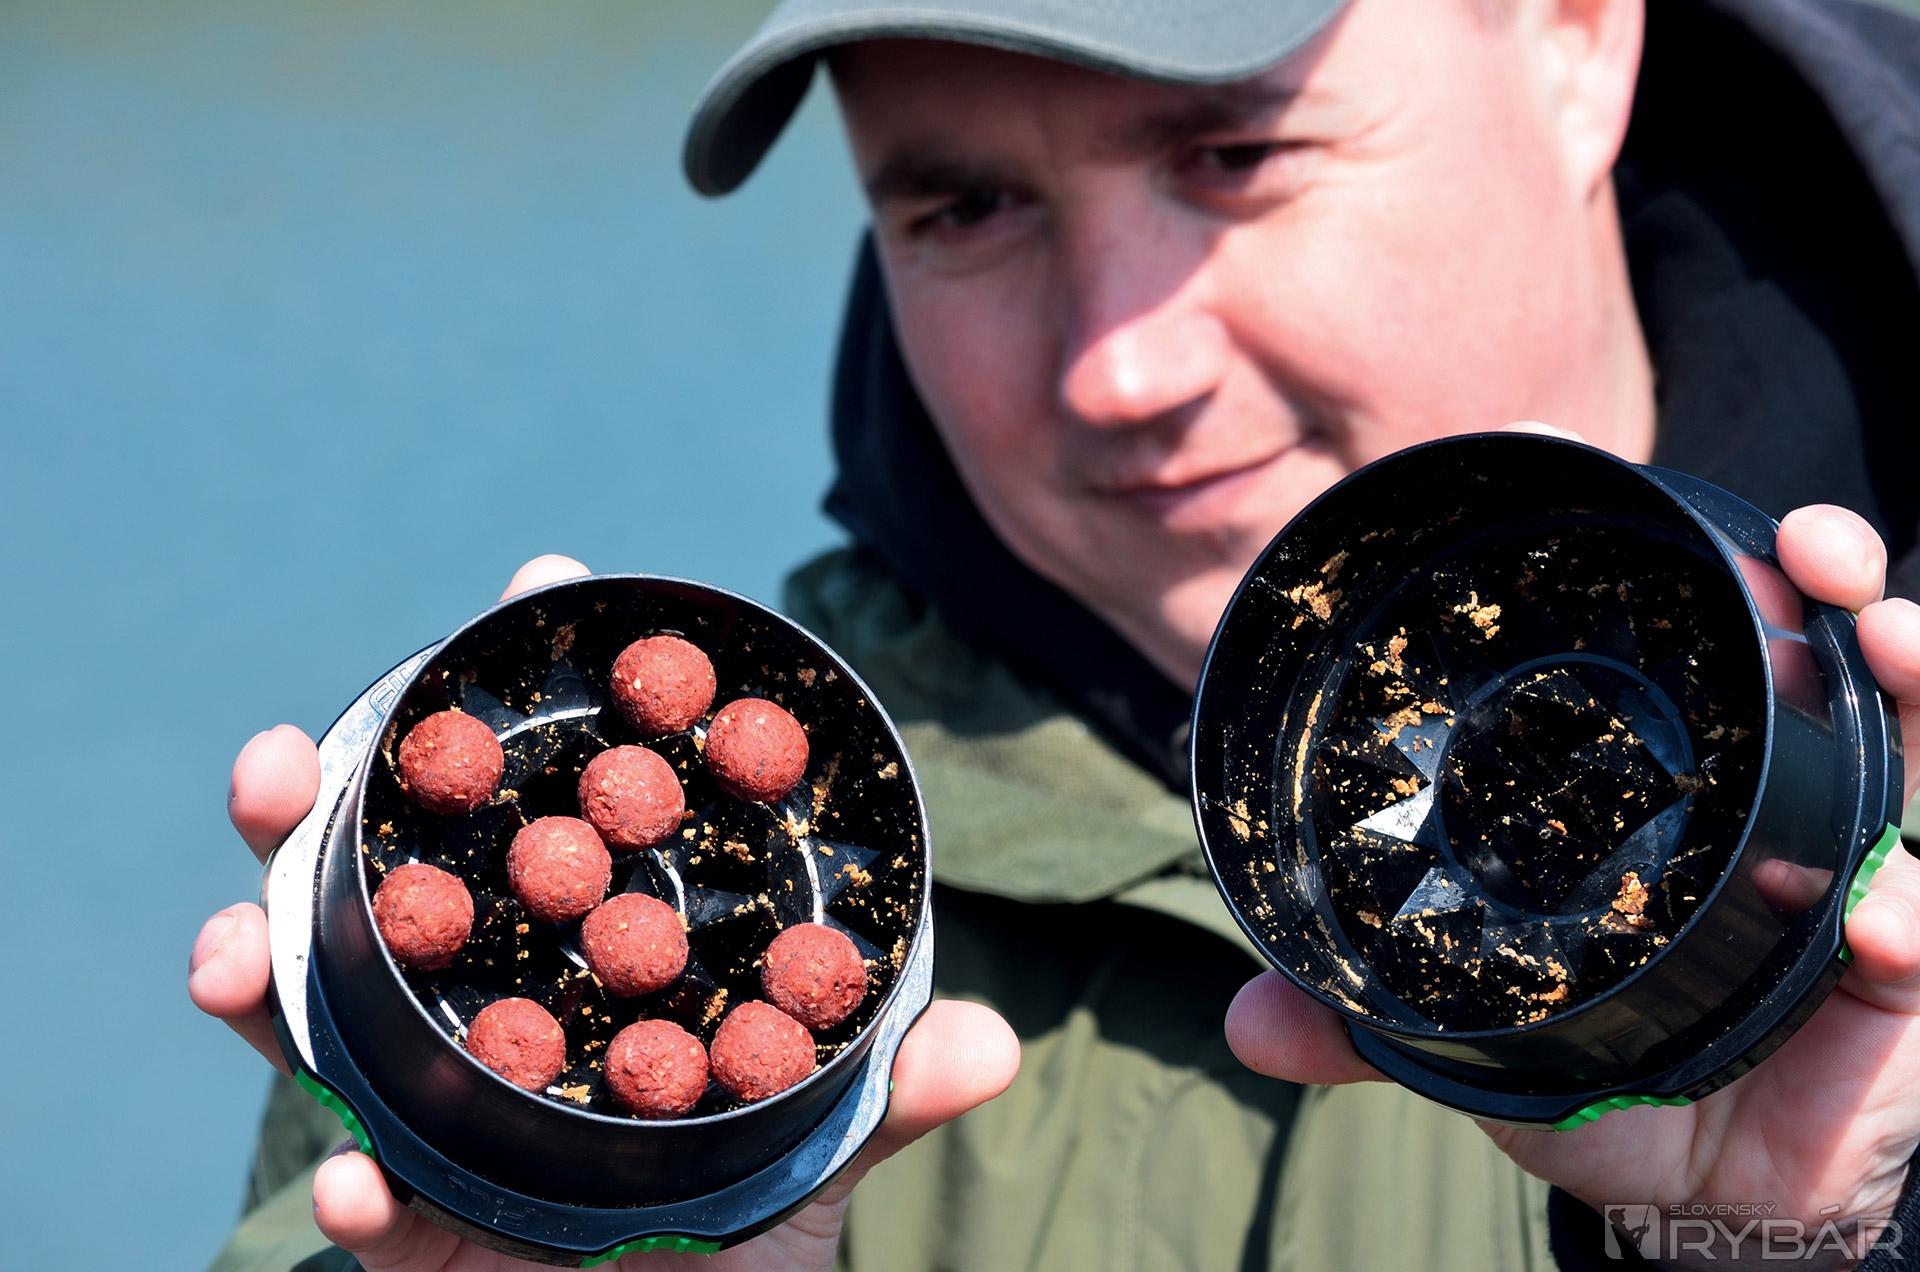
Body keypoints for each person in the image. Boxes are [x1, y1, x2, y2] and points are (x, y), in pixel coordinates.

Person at [196, 0, 1920, 1267]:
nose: (1121, 367)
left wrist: (1815, 1240)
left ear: (1573, 40)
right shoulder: (636, 902)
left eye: (1233, 155)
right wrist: (555, 1191)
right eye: (966, 210)